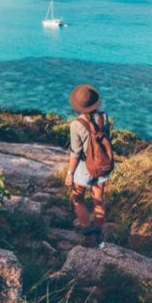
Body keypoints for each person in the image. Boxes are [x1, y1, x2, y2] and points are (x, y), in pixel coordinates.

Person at [64, 84, 112, 248]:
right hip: (102, 166)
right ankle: (99, 235)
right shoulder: (104, 117)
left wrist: (70, 173)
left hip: (84, 168)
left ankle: (88, 236)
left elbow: (75, 153)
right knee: (98, 201)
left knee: (77, 199)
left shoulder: (76, 125)